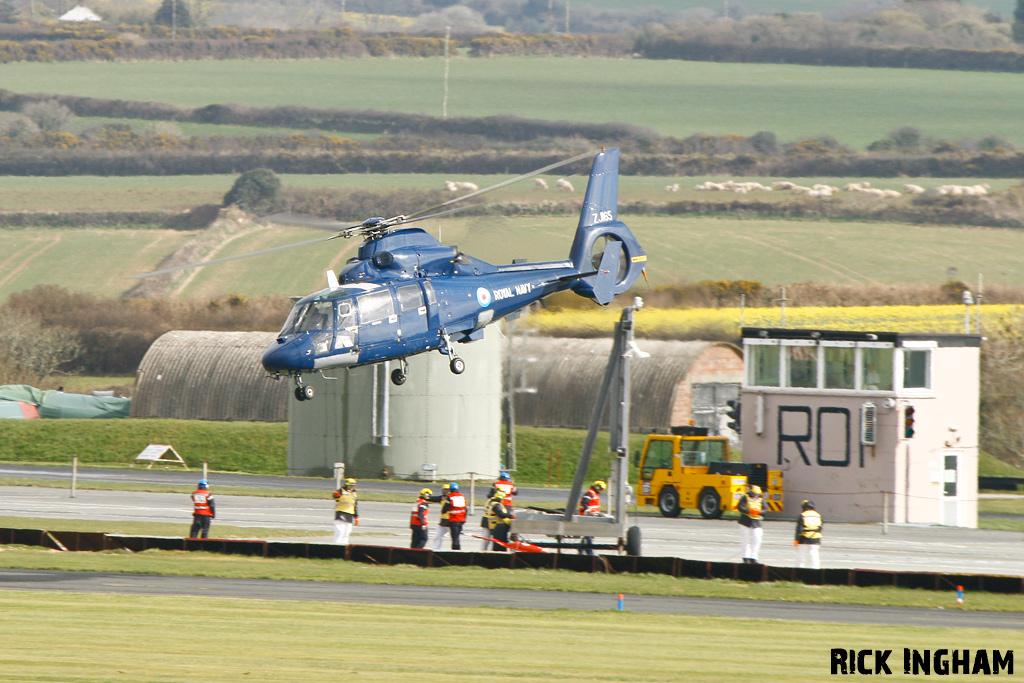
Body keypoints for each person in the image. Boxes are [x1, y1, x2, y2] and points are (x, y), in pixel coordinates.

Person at [431, 482, 467, 550]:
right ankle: (436, 549)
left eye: (447, 490)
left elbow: (462, 508)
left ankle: (456, 551)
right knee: (438, 537)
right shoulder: (443, 497)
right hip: (445, 521)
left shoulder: (452, 498)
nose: (445, 492)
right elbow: (434, 498)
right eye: (444, 490)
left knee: (455, 538)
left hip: (452, 520)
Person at [737, 484, 764, 564]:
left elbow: (765, 509)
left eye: (757, 495)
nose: (755, 496)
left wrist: (760, 512)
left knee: (757, 539)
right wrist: (748, 511)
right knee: (745, 539)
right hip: (745, 521)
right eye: (754, 495)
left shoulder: (760, 499)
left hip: (756, 521)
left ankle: (754, 557)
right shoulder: (746, 497)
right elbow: (739, 507)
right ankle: (745, 557)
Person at [578, 480, 606, 555]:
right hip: (588, 516)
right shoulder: (590, 493)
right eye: (601, 488)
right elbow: (585, 502)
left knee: (589, 534)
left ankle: (581, 548)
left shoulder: (594, 493)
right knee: (589, 534)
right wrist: (587, 511)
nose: (601, 490)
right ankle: (589, 551)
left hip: (592, 516)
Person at [795, 499, 823, 569]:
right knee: (814, 556)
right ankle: (816, 570)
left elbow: (799, 529)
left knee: (801, 556)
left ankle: (799, 570)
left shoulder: (803, 515)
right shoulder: (818, 515)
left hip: (804, 538)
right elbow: (820, 527)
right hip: (816, 538)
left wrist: (796, 540)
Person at [332, 477, 359, 545]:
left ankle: (344, 547)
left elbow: (355, 505)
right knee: (340, 531)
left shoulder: (354, 493)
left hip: (350, 514)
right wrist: (336, 495)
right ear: (347, 485)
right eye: (351, 485)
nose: (352, 486)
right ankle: (336, 546)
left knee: (347, 533)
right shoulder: (341, 491)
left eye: (353, 485)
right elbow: (335, 496)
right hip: (341, 512)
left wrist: (356, 516)